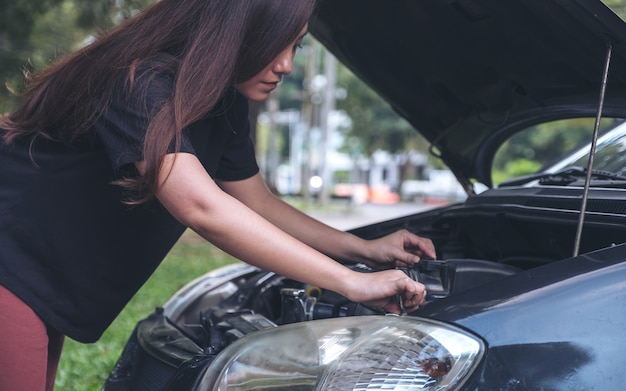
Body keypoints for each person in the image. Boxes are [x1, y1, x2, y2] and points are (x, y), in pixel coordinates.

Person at [0, 0, 436, 390]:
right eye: (274, 44)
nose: (285, 65)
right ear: (235, 34)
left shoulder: (222, 106)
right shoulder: (141, 83)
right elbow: (202, 207)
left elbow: (258, 204)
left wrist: (363, 249)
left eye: (296, 47)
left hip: (41, 279)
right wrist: (352, 282)